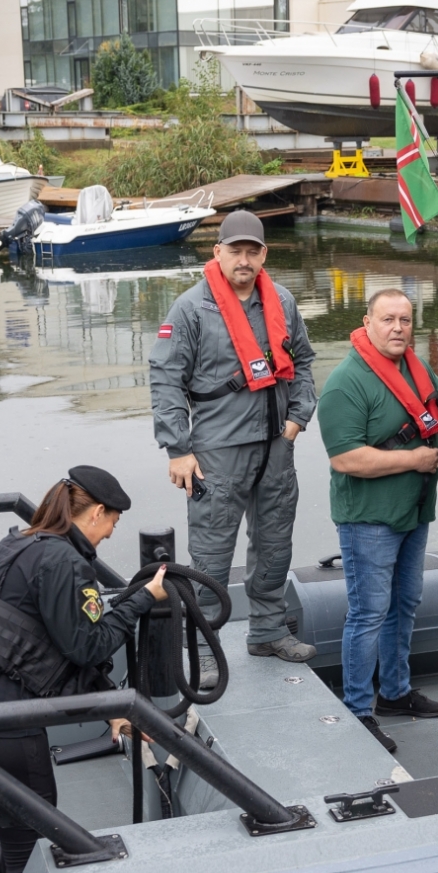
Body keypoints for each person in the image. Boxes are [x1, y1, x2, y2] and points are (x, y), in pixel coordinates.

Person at [0, 466, 167, 873]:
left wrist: (110, 706)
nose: (107, 537)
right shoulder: (65, 561)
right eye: (111, 525)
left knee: (13, 835)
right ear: (97, 513)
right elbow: (88, 646)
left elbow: (43, 648)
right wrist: (144, 599)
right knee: (28, 841)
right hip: (9, 725)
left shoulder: (20, 543)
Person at [316, 289, 438, 753]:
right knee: (368, 613)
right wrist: (414, 460)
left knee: (405, 603)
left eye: (406, 319)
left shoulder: (413, 368)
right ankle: (359, 711)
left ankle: (395, 693)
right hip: (369, 521)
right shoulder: (345, 383)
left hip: (413, 513)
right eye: (388, 319)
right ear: (367, 322)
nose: (398, 327)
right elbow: (346, 460)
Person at [149, 210, 317, 685]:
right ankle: (202, 647)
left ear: (264, 254)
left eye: (252, 251)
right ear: (217, 252)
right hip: (217, 453)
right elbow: (165, 379)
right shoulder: (189, 309)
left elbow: (303, 360)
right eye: (235, 250)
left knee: (274, 546)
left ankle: (267, 631)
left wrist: (298, 418)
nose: (244, 260)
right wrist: (177, 449)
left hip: (276, 449)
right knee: (210, 558)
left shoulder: (281, 301)